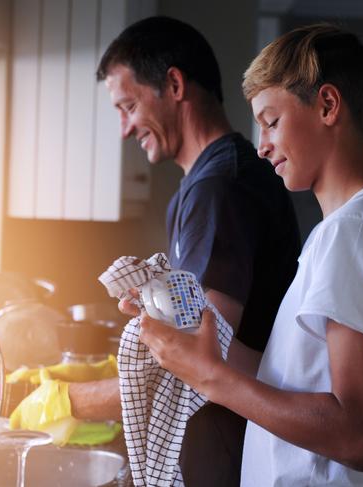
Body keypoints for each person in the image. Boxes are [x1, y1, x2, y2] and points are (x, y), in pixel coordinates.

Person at [138, 23, 363, 486]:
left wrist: (211, 378)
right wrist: (192, 341)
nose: (262, 147)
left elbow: (360, 436)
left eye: (271, 122)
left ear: (328, 105)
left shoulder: (355, 235)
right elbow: (290, 381)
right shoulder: (349, 230)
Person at [69, 16, 301, 487]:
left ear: (174, 84)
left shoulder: (220, 188)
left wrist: (70, 400)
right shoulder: (201, 186)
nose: (124, 128)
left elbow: (195, 357)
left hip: (224, 459)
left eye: (128, 105)